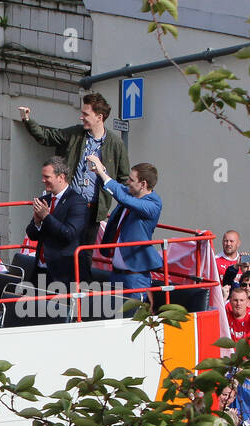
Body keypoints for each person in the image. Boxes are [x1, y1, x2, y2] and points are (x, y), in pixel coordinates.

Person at [17, 95, 130, 238]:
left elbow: (123, 179)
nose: (81, 117)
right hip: (69, 203)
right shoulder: (75, 134)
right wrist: (27, 120)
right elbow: (47, 137)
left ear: (99, 117)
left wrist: (130, 206)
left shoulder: (116, 144)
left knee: (84, 254)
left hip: (93, 210)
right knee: (61, 243)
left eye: (85, 114)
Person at [86, 154, 162, 302]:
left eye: (132, 180)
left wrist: (102, 172)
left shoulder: (153, 204)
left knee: (133, 318)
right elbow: (116, 188)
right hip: (117, 273)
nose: (128, 182)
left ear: (143, 184)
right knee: (115, 317)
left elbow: (122, 197)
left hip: (135, 276)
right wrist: (100, 171)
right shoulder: (131, 193)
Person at [23, 157, 89, 295]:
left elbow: (68, 234)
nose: (43, 180)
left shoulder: (77, 202)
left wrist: (46, 216)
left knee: (56, 314)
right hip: (41, 269)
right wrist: (37, 222)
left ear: (61, 177)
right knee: (34, 312)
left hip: (63, 273)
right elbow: (32, 235)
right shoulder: (44, 200)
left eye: (47, 177)